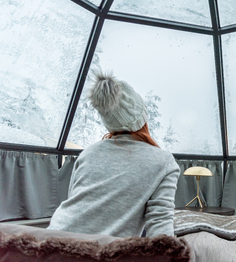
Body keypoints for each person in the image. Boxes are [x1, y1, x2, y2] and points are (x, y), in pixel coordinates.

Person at [48, 71, 180, 238]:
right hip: (100, 251)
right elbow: (160, 221)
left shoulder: (88, 154)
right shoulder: (164, 161)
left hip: (52, 240)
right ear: (142, 118)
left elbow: (76, 201)